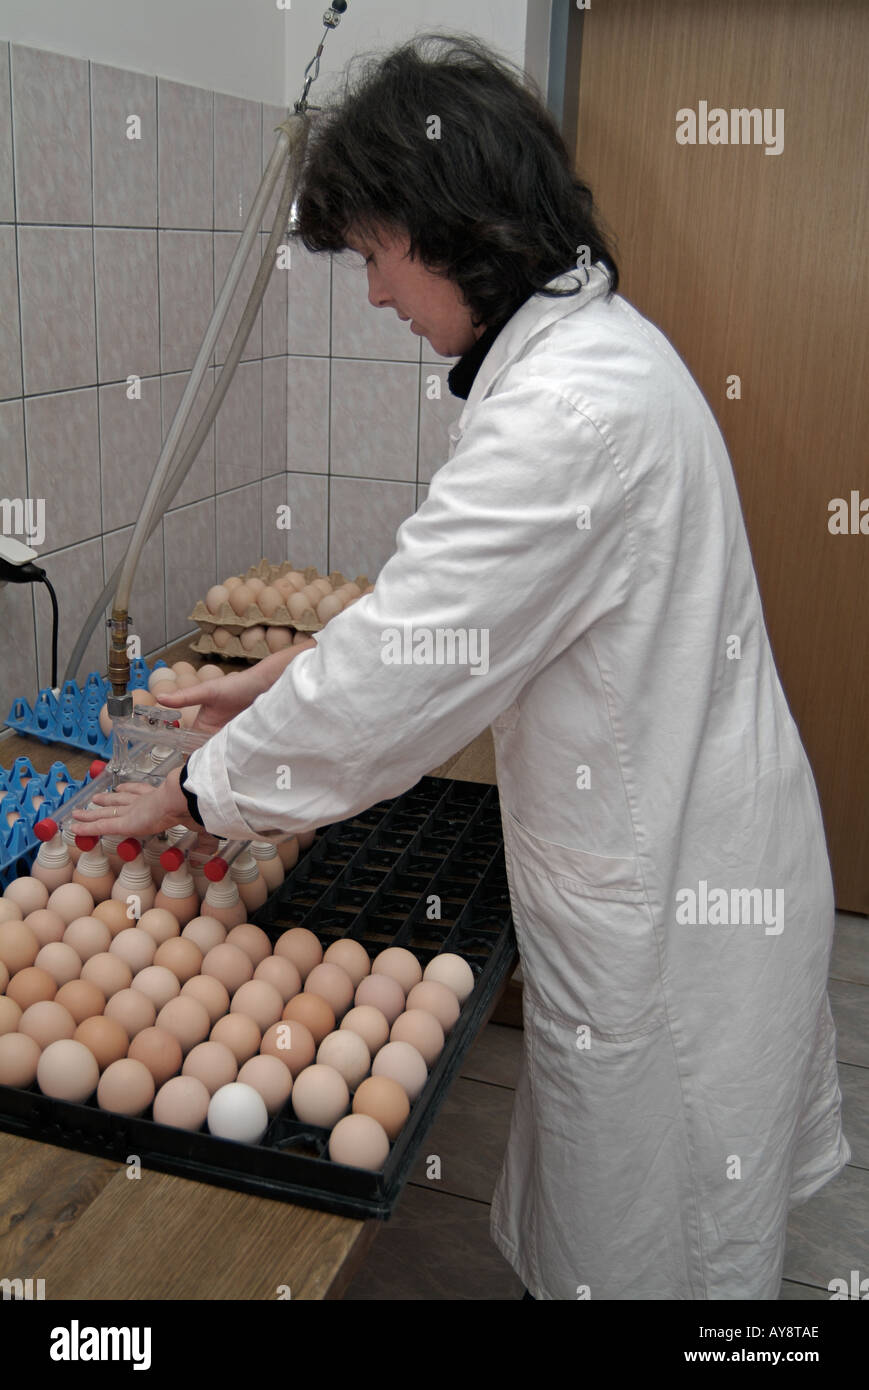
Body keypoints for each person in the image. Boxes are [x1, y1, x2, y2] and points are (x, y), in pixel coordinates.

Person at [73, 33, 849, 1299]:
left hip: (676, 882)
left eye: (377, 255)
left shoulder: (568, 412)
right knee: (628, 1209)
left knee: (657, 1243)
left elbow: (406, 665)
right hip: (663, 839)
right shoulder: (584, 358)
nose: (376, 294)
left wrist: (203, 789)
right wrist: (265, 684)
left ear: (453, 227)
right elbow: (454, 616)